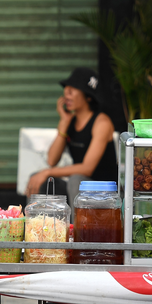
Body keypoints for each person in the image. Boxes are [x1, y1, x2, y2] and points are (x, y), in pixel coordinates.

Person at [25, 67, 117, 206]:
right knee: (39, 179)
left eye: (73, 89)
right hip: (77, 190)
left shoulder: (102, 122)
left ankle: (77, 228)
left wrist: (47, 171)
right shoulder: (71, 121)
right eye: (66, 88)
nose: (66, 93)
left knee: (76, 180)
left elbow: (87, 168)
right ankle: (38, 225)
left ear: (88, 96)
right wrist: (64, 122)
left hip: (103, 194)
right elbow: (52, 160)